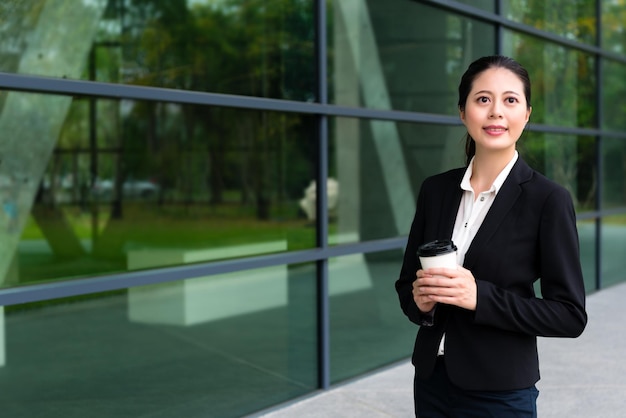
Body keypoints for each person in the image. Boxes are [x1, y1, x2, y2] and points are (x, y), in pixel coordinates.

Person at [395, 55, 587, 417]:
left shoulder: (548, 200)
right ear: (463, 112)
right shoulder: (435, 191)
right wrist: (419, 301)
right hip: (432, 383)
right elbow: (407, 286)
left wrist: (479, 296)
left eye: (510, 100)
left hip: (501, 393)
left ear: (526, 114)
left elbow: (569, 315)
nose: (496, 111)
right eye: (483, 99)